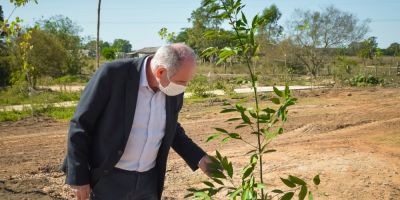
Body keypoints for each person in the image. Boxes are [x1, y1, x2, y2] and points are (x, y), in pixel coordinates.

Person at [61, 43, 214, 200]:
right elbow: (81, 124)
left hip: (148, 182)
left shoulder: (171, 88)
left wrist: (200, 158)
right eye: (181, 82)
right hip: (108, 179)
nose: (184, 87)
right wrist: (79, 176)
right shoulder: (113, 75)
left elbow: (171, 129)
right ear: (161, 72)